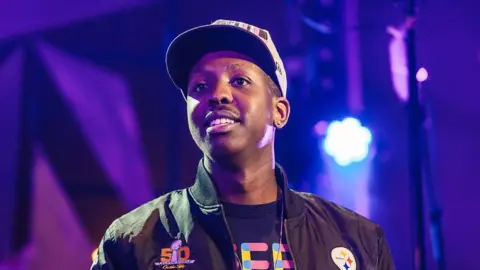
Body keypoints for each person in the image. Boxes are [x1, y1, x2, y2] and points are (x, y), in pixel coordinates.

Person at [91, 19, 395, 270]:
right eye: (200, 86)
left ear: (279, 111)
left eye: (239, 81)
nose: (217, 95)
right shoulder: (133, 241)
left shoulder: (358, 240)